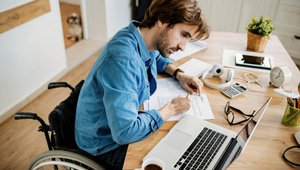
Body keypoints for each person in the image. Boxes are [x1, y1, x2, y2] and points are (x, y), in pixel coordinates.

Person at [75, 0, 210, 169]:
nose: (183, 47)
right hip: (103, 146)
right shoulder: (123, 60)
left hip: (115, 129)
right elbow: (124, 132)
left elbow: (156, 57)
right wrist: (171, 109)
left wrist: (178, 74)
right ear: (162, 20)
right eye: (183, 35)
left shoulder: (142, 38)